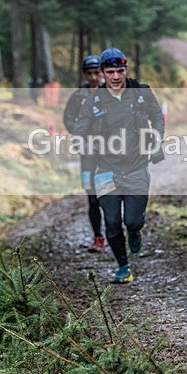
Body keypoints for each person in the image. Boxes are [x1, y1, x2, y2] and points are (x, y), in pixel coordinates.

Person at [71, 48, 165, 283]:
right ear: (103, 72)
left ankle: (134, 231)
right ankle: (123, 266)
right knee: (112, 222)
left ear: (126, 70)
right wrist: (85, 145)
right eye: (110, 72)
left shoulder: (141, 92)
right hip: (106, 170)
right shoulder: (93, 99)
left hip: (136, 167)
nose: (115, 76)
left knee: (133, 220)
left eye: (120, 71)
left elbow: (157, 117)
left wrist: (156, 140)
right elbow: (80, 129)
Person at [63, 55, 106, 253]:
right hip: (87, 154)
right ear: (84, 74)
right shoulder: (78, 97)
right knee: (92, 196)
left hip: (110, 153)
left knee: (110, 196)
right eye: (90, 73)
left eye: (97, 72)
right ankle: (97, 237)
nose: (94, 77)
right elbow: (68, 119)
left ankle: (116, 234)